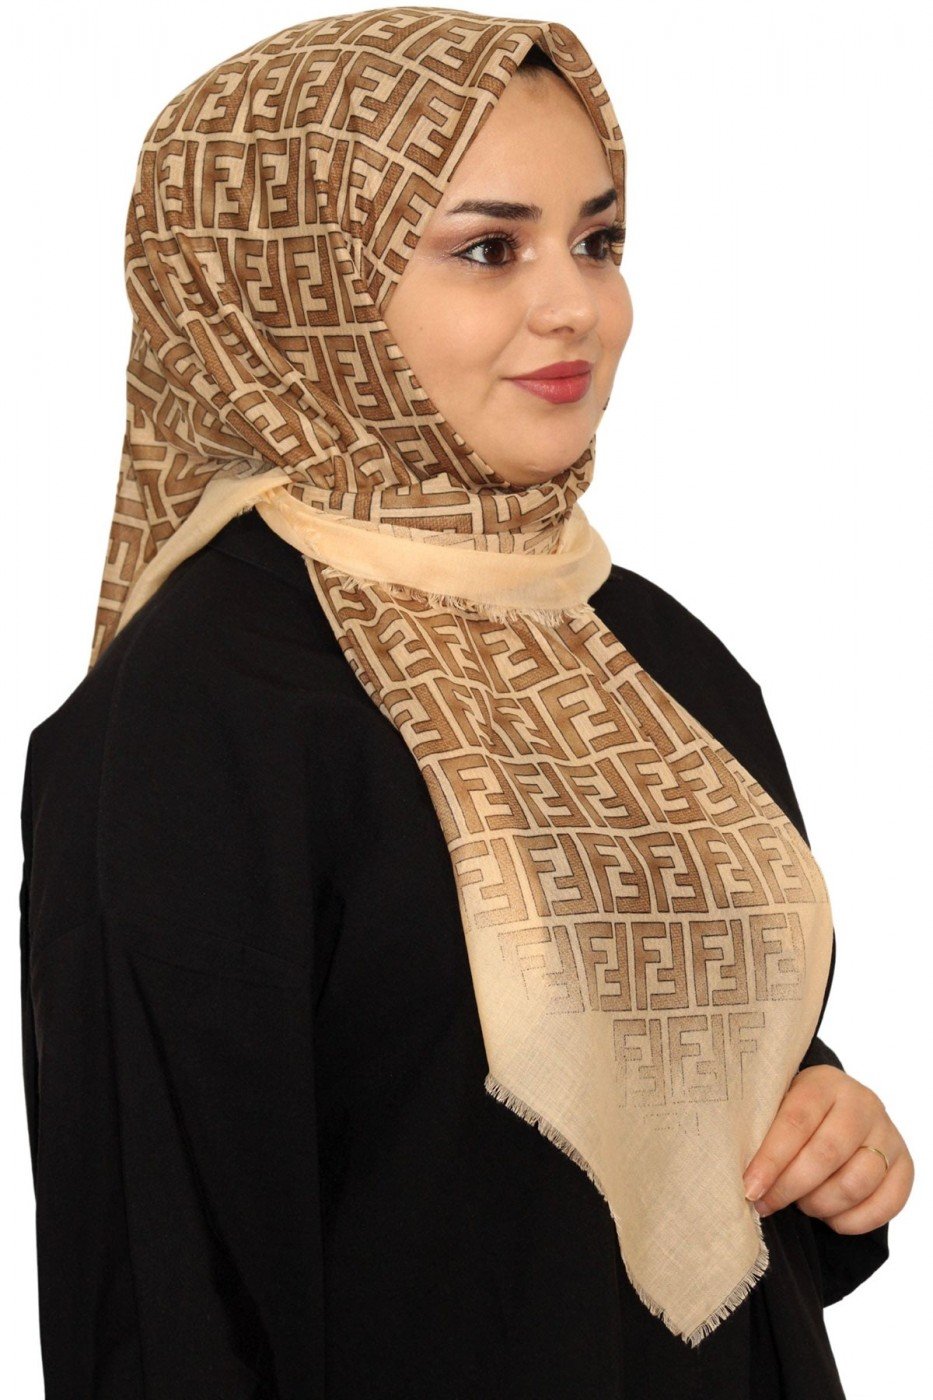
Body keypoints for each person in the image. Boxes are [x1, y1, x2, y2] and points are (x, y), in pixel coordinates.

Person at [18, 9, 911, 1398]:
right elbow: (163, 1290)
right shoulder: (201, 713)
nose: (576, 307)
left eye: (598, 241)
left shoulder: (653, 656)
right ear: (293, 281)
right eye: (490, 249)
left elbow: (676, 1147)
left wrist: (832, 1136)